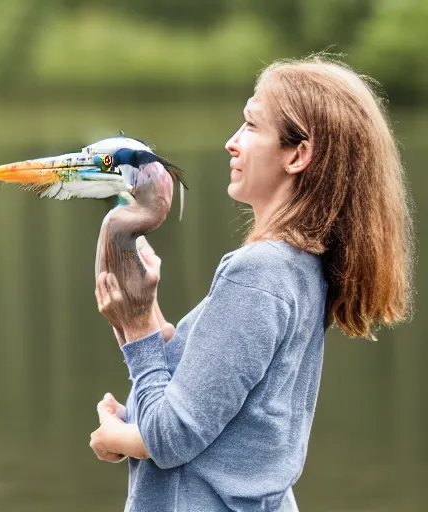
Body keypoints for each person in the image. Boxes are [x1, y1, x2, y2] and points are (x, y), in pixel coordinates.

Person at [89, 55, 414, 512]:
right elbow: (217, 408)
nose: (231, 143)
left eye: (250, 126)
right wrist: (143, 318)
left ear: (298, 155)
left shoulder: (259, 273)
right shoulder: (300, 267)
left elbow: (172, 436)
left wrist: (118, 425)